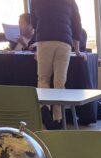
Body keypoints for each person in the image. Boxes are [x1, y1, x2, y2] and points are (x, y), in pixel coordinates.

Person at [31, 0, 83, 128]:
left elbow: (33, 22)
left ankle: (44, 108)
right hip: (64, 42)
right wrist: (77, 50)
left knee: (43, 78)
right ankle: (58, 119)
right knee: (59, 81)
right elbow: (77, 24)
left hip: (44, 40)